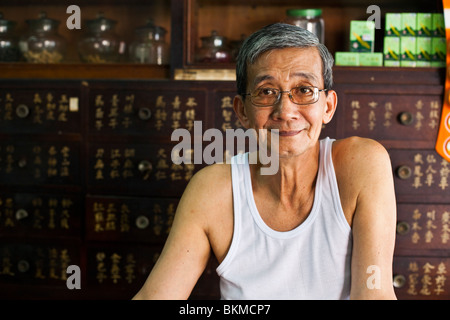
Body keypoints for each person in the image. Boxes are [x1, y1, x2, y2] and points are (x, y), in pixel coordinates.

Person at [133, 23, 397, 300]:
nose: (285, 112)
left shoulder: (362, 164)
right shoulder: (213, 190)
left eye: (304, 90)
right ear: (242, 111)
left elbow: (375, 294)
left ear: (327, 106)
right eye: (266, 91)